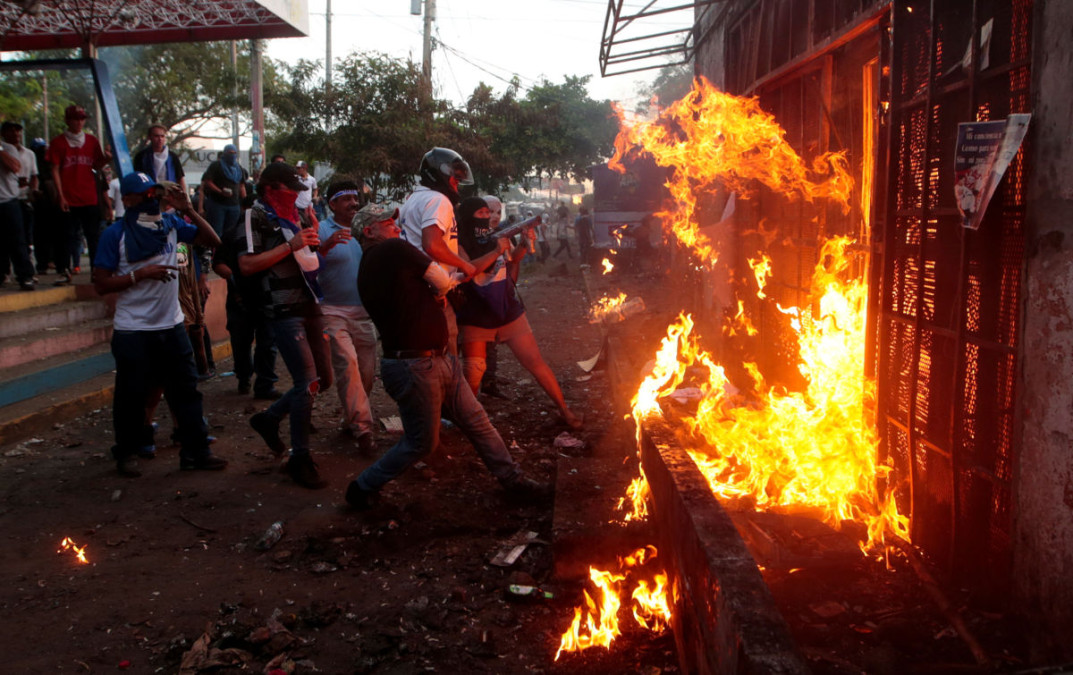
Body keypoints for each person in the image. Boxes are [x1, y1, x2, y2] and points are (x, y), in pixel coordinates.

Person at [343, 204, 550, 510]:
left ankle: (513, 480)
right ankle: (361, 487)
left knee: (476, 421)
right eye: (388, 223)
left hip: (429, 360)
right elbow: (440, 279)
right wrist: (447, 291)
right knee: (421, 441)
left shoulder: (371, 265)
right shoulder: (394, 250)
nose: (397, 228)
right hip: (416, 365)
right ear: (368, 231)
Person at [92, 172, 227, 476]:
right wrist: (140, 274)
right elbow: (101, 284)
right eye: (145, 195)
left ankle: (196, 452)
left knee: (187, 392)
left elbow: (212, 240)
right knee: (131, 396)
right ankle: (126, 451)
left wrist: (188, 209)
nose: (153, 199)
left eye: (155, 193)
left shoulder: (170, 225)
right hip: (133, 330)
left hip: (171, 326)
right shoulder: (116, 234)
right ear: (127, 200)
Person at [239, 162, 333, 489]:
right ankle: (300, 458)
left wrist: (320, 245)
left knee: (324, 377)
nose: (295, 194)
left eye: (298, 189)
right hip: (282, 307)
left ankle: (269, 418)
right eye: (289, 189)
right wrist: (290, 246)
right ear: (269, 188)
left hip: (310, 303)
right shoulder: (257, 216)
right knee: (306, 382)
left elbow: (307, 260)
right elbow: (247, 264)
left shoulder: (297, 214)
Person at [455, 196, 583, 428]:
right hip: (475, 313)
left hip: (507, 309)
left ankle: (565, 410)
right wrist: (495, 252)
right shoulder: (459, 242)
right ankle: (469, 424)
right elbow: (467, 271)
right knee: (473, 373)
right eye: (482, 214)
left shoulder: (500, 236)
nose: (488, 217)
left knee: (535, 362)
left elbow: (513, 259)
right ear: (467, 217)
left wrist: (524, 243)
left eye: (492, 212)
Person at [398, 147, 503, 354]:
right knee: (446, 360)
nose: (457, 184)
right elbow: (432, 245)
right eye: (455, 178)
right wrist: (464, 264)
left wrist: (455, 273)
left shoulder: (412, 200)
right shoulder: (438, 200)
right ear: (441, 173)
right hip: (431, 293)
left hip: (417, 288)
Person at [316, 180, 378, 453]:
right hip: (332, 312)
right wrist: (324, 247)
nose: (354, 203)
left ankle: (350, 418)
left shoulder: (366, 230)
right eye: (346, 199)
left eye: (356, 198)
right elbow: (308, 266)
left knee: (366, 373)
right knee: (348, 364)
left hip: (364, 312)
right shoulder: (320, 229)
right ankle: (363, 429)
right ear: (332, 204)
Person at [47, 104, 111, 284]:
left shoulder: (91, 141)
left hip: (89, 195)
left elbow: (96, 165)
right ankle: (64, 270)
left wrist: (107, 158)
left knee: (93, 236)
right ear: (68, 121)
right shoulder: (58, 142)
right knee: (65, 236)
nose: (79, 122)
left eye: (82, 119)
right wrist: (61, 195)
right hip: (68, 196)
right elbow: (55, 169)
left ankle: (96, 271)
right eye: (75, 119)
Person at [0, 121, 38, 289]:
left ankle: (25, 275)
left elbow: (14, 166)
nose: (15, 133)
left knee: (17, 240)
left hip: (8, 200)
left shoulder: (7, 149)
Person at [200, 144, 246, 236]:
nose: (232, 155)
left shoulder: (239, 169)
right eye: (230, 153)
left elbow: (241, 186)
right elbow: (208, 181)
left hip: (234, 205)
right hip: (217, 204)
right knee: (216, 232)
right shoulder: (216, 166)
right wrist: (220, 191)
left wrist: (245, 202)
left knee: (232, 232)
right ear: (225, 153)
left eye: (234, 153)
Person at [133, 125, 187, 193]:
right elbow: (138, 178)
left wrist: (184, 196)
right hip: (149, 195)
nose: (160, 139)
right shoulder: (141, 157)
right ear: (150, 137)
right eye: (156, 136)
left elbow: (180, 178)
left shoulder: (172, 157)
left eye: (162, 136)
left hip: (169, 195)